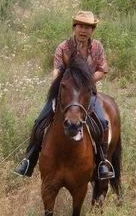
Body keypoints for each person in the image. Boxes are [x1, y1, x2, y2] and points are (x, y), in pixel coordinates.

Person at [14, 10, 115, 180]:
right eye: (80, 26)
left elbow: (102, 70)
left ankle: (103, 162)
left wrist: (86, 81)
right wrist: (59, 82)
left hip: (86, 94)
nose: (84, 30)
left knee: (103, 122)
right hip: (66, 94)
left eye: (88, 27)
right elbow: (57, 68)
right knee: (40, 121)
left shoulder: (97, 47)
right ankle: (29, 159)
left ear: (93, 30)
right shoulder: (64, 47)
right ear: (74, 27)